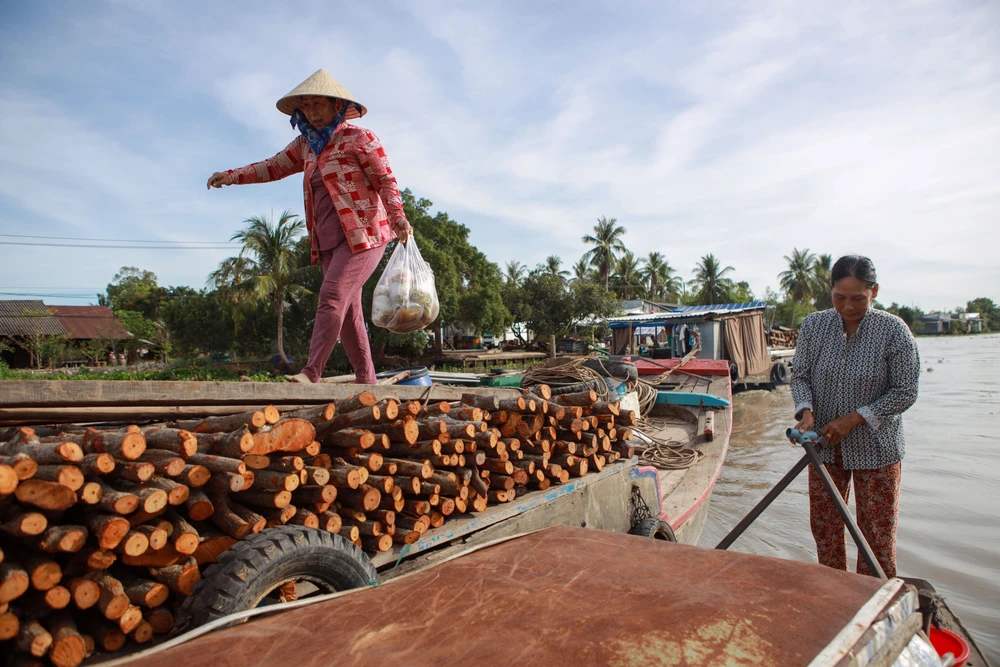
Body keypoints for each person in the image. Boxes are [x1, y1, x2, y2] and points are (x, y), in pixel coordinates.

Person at [207, 69, 412, 384]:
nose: (313, 112)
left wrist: (397, 216)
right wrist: (232, 175)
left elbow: (385, 179)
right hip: (328, 241)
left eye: (319, 104)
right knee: (348, 314)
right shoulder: (306, 146)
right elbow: (272, 166)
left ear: (336, 106)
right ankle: (367, 381)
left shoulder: (360, 138)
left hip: (364, 236)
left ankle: (311, 372)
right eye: (307, 106)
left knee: (331, 297)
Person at [790, 255, 920, 578]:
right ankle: (835, 598)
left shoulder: (894, 332)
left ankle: (874, 604)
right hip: (823, 448)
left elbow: (905, 391)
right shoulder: (814, 326)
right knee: (826, 530)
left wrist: (854, 418)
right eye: (840, 297)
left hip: (877, 451)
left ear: (874, 291)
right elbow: (800, 376)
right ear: (830, 290)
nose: (848, 307)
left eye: (858, 298)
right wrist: (806, 411)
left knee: (876, 539)